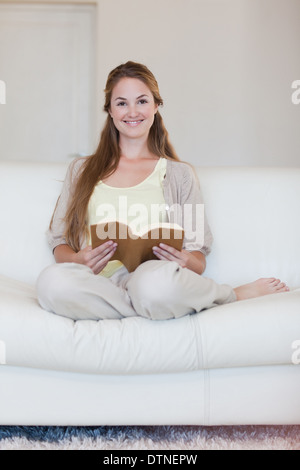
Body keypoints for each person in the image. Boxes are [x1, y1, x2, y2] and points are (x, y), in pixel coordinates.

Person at [36, 61, 289, 321]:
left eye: (142, 101)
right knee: (50, 284)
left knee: (154, 286)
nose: (132, 111)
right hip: (95, 283)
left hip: (153, 279)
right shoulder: (81, 170)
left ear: (156, 106)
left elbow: (198, 259)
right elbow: (59, 241)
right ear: (110, 111)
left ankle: (220, 295)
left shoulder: (180, 175)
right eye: (122, 103)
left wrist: (183, 260)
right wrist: (79, 261)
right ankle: (149, 307)